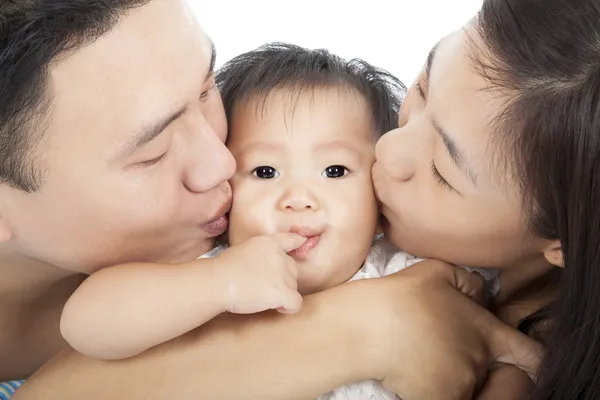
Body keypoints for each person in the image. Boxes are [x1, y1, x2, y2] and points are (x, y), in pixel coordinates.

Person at [7, 0, 585, 399]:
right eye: (151, 151)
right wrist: (371, 325)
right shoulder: (223, 258)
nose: (223, 161)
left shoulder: (435, 246)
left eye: (206, 87)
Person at [58, 42, 501, 399]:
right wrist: (219, 282)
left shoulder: (414, 274)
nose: (298, 199)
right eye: (265, 172)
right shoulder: (209, 271)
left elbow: (499, 357)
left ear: (378, 192)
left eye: (335, 171)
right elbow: (85, 324)